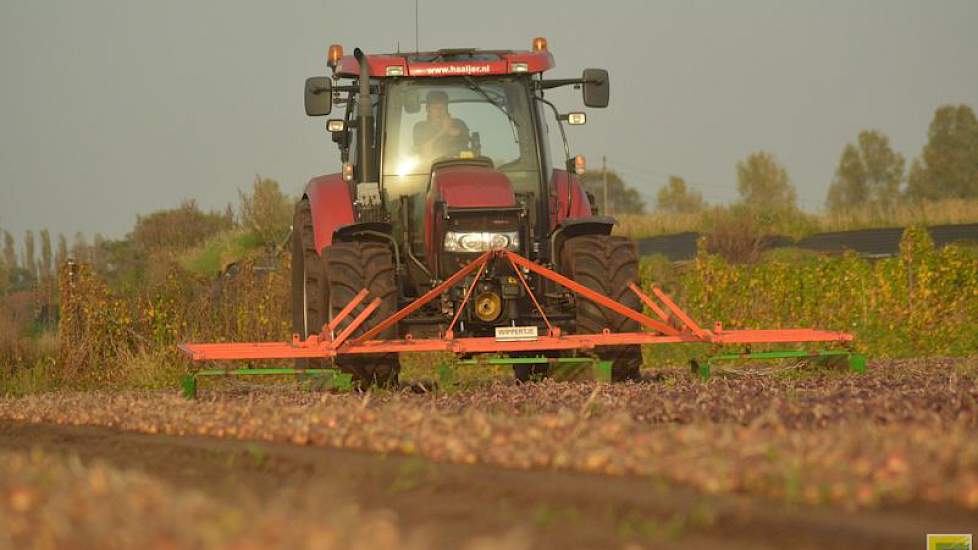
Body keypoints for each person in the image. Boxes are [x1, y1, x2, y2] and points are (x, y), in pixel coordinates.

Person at [413, 90, 469, 159]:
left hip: (458, 166)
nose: (439, 111)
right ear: (427, 109)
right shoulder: (420, 127)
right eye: (435, 108)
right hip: (429, 167)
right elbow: (424, 154)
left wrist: (457, 133)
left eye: (443, 107)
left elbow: (467, 148)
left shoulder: (459, 124)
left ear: (447, 108)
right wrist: (443, 131)